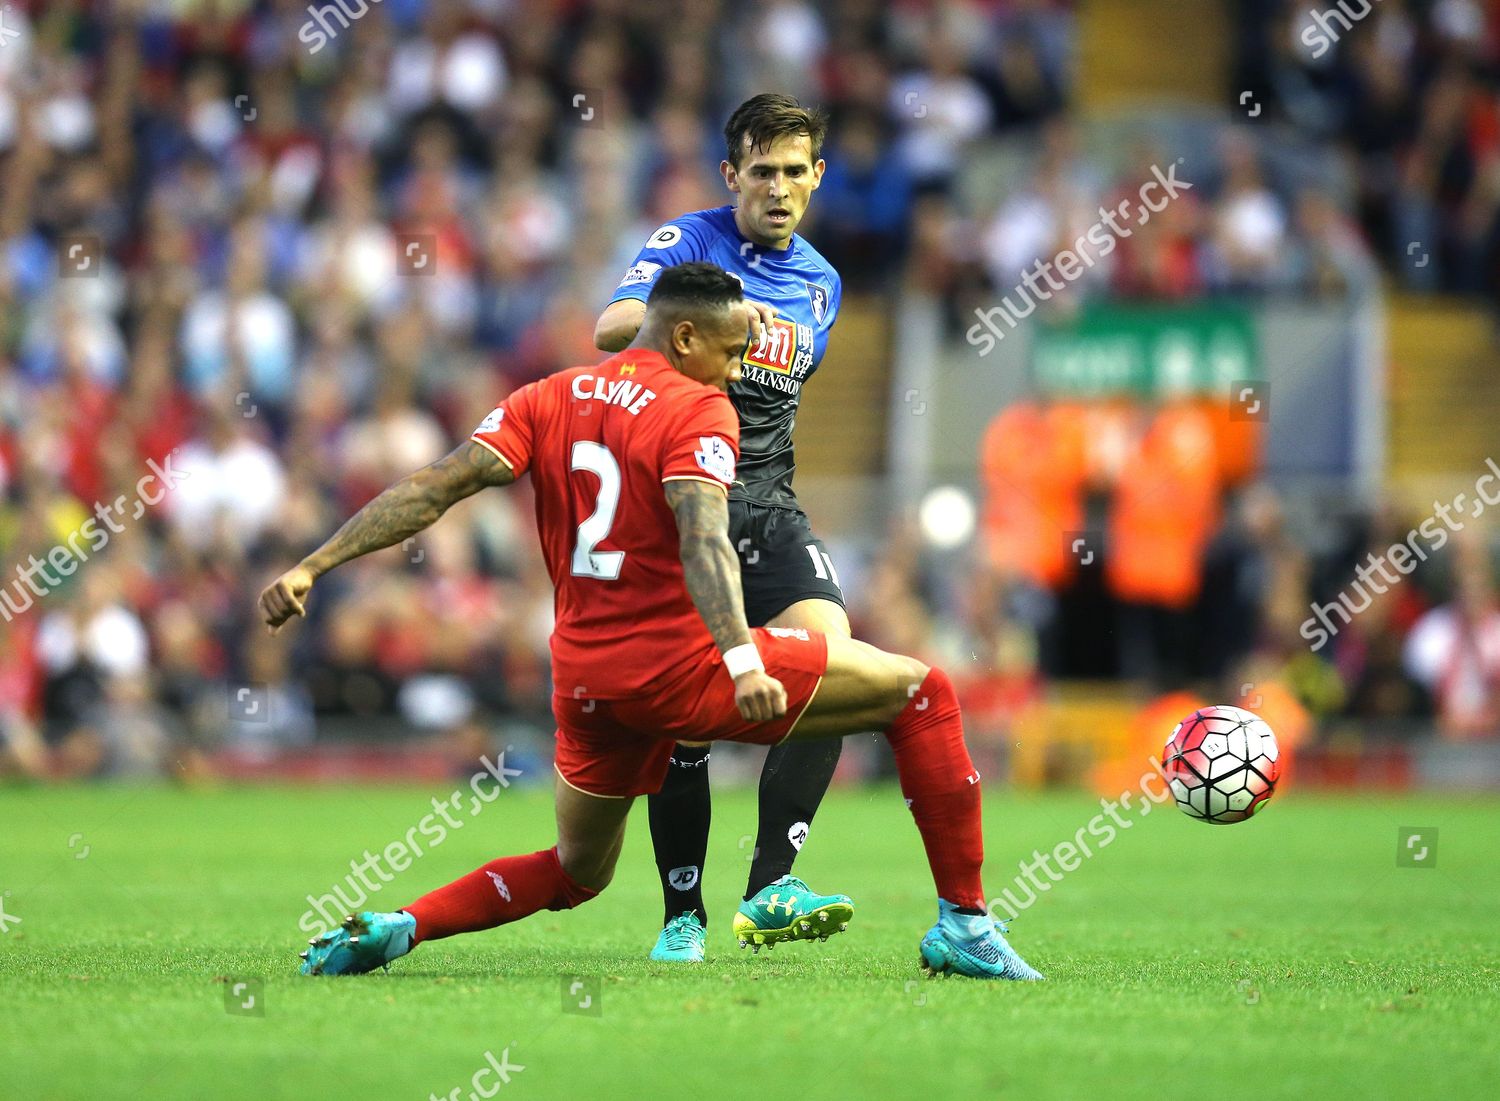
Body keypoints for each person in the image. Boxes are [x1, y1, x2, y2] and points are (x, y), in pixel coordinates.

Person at [261, 263, 1042, 981]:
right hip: (681, 670)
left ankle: (403, 924)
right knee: (923, 692)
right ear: (686, 337)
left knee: (577, 870)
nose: (738, 374)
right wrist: (741, 658)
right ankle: (964, 925)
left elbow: (432, 488)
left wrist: (312, 566)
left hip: (584, 684)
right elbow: (705, 537)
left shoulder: (546, 395)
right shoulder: (697, 407)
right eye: (733, 354)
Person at [594, 93, 853, 962]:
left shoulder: (823, 279)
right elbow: (610, 328)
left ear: (816, 178)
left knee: (832, 667)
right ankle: (680, 916)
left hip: (772, 502)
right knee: (690, 719)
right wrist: (716, 306)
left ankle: (770, 886)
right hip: (686, 495)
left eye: (795, 172)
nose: (778, 188)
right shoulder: (688, 242)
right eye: (763, 170)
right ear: (731, 173)